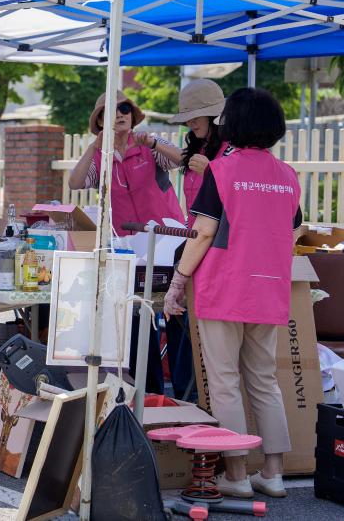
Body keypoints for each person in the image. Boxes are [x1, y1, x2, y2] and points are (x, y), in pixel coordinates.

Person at [164, 87, 302, 500]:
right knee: (264, 381)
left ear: (233, 124)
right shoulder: (288, 175)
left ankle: (237, 473)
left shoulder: (222, 172)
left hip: (224, 288)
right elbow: (293, 232)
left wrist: (177, 282)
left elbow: (203, 231)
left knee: (224, 382)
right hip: (270, 290)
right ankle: (274, 473)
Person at [69, 90, 184, 236]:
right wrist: (93, 147)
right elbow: (74, 184)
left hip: (167, 235)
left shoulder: (149, 143)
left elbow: (183, 159)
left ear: (131, 115)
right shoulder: (99, 156)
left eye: (124, 109)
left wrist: (153, 143)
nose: (119, 114)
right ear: (100, 121)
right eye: (112, 111)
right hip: (127, 243)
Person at [165, 79, 229, 227]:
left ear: (213, 116)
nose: (189, 123)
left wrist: (212, 173)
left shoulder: (233, 151)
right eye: (187, 118)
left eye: (195, 116)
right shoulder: (198, 147)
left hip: (219, 243)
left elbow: (238, 200)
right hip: (197, 238)